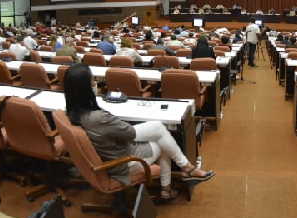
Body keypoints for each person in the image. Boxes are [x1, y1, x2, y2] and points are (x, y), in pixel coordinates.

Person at [64, 64, 215, 201]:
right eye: (92, 81)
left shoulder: (72, 113)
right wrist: (113, 120)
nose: (95, 83)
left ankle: (171, 184)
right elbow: (129, 133)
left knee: (160, 132)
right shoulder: (98, 118)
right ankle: (184, 171)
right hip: (123, 163)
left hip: (108, 155)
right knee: (162, 136)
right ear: (85, 88)